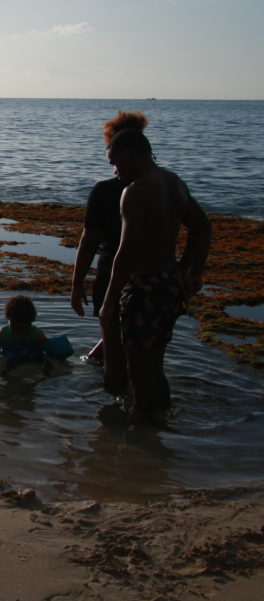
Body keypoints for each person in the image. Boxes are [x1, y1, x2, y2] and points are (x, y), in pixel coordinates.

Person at [97, 126, 211, 417]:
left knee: (140, 367)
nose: (115, 172)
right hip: (169, 284)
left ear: (133, 155)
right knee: (154, 363)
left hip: (145, 287)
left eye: (115, 163)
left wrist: (109, 303)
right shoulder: (174, 183)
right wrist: (189, 269)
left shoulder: (135, 192)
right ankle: (161, 422)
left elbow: (127, 253)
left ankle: (144, 432)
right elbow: (201, 226)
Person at [71, 112, 148, 362]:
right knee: (141, 344)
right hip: (154, 276)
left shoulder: (106, 191)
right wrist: (188, 271)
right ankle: (98, 365)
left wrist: (77, 283)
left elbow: (89, 241)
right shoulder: (165, 184)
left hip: (115, 274)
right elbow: (200, 227)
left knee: (114, 336)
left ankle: (102, 377)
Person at [0, 295, 48, 369]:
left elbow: (49, 350)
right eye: (13, 327)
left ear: (30, 322)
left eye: (21, 328)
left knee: (45, 366)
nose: (17, 332)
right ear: (8, 319)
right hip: (11, 361)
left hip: (33, 361)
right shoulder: (3, 333)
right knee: (4, 368)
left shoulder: (37, 334)